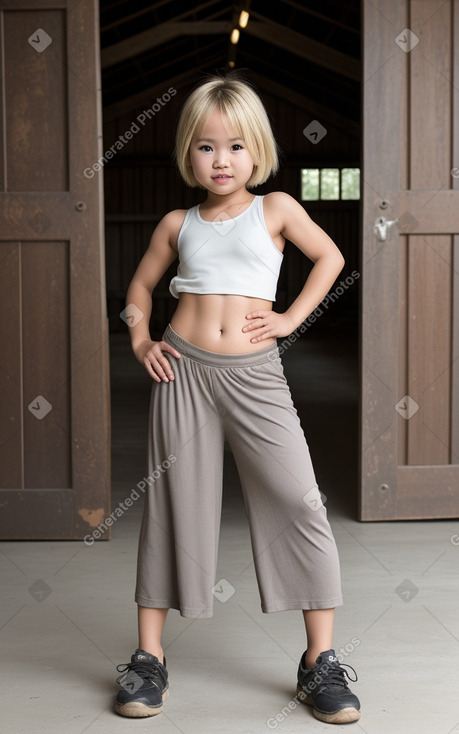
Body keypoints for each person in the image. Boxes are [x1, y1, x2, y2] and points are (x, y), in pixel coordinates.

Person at [114, 72, 361, 725]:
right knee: (172, 506)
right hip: (183, 372)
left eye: (234, 146)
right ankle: (147, 660)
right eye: (204, 146)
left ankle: (320, 663)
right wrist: (141, 341)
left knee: (298, 500)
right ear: (186, 154)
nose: (220, 160)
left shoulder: (275, 207)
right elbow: (138, 293)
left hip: (254, 374)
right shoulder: (176, 222)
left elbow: (330, 258)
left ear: (256, 151)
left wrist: (289, 320)